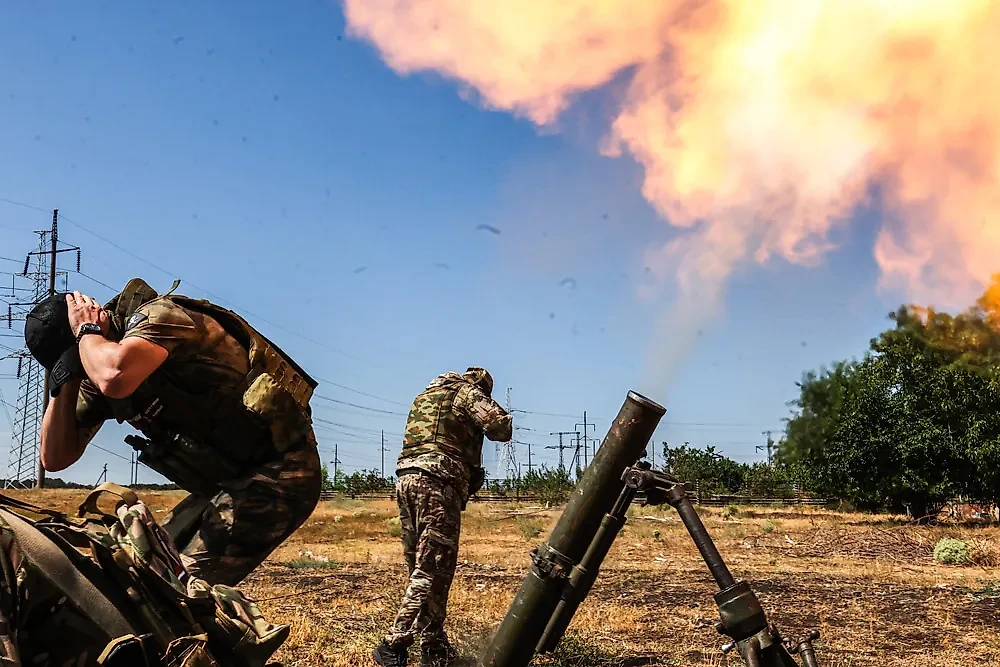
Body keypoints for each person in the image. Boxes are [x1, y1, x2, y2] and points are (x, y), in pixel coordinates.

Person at [24, 278, 322, 586]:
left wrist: (86, 332)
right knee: (142, 571)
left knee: (176, 589)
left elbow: (115, 377)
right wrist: (66, 381)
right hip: (225, 483)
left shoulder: (160, 316)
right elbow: (54, 457)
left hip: (281, 470)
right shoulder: (95, 369)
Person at [373, 367, 512, 667]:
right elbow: (500, 427)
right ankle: (393, 643)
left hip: (407, 480)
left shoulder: (426, 396)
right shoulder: (467, 393)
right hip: (438, 483)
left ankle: (433, 644)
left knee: (423, 566)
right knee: (432, 566)